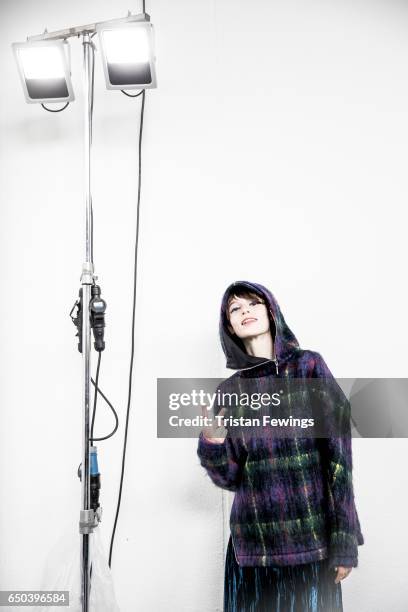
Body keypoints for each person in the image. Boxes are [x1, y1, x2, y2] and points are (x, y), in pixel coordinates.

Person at [196, 281, 364, 612]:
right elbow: (229, 478)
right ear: (228, 327)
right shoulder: (229, 391)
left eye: (252, 303)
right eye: (235, 309)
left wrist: (344, 541)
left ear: (271, 311)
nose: (244, 310)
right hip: (252, 553)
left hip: (312, 546)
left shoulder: (309, 367)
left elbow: (339, 459)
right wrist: (213, 443)